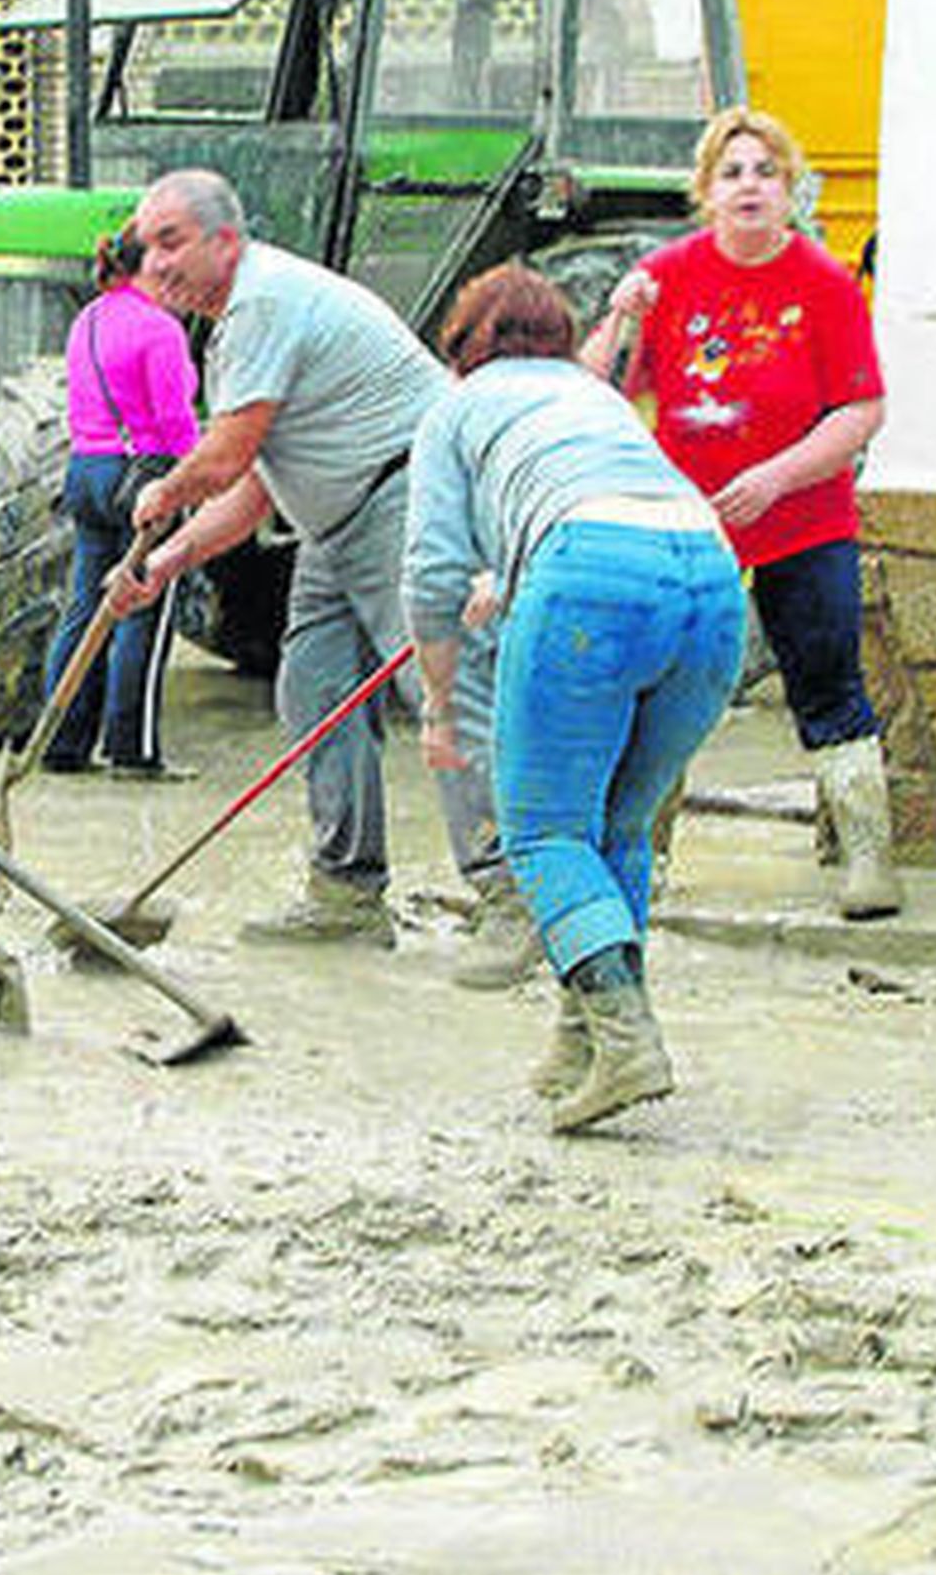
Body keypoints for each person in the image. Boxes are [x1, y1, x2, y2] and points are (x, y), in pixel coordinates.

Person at [110, 168, 505, 950]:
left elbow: (224, 459)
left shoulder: (261, 301)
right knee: (313, 687)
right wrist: (171, 559)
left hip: (405, 497)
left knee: (449, 692)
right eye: (144, 246)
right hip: (332, 520)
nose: (154, 263)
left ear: (227, 240)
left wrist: (168, 489)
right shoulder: (234, 327)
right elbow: (257, 484)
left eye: (171, 241)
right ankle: (347, 892)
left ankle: (512, 893)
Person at [404, 262, 747, 1133]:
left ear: (462, 350)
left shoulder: (454, 408)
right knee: (617, 829)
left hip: (592, 576)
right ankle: (584, 1037)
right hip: (709, 575)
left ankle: (628, 1041)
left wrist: (440, 703)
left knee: (544, 831)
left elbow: (433, 572)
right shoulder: (593, 396)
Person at [581, 105, 902, 920]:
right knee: (665, 683)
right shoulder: (668, 275)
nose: (749, 185)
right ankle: (640, 853)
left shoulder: (824, 284)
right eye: (732, 172)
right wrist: (622, 313)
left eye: (765, 171)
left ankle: (864, 855)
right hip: (691, 526)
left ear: (790, 188)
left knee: (827, 680)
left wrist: (777, 476)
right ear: (707, 192)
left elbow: (860, 409)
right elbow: (595, 391)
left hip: (804, 519)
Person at [41, 224, 200, 777]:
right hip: (141, 479)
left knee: (86, 606)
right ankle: (134, 752)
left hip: (84, 473)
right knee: (143, 611)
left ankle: (62, 744)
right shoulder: (160, 329)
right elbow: (175, 419)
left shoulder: (87, 319)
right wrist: (197, 477)